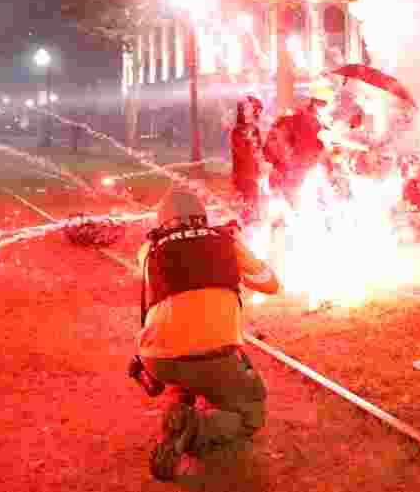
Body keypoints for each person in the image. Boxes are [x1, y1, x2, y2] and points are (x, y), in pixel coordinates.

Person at [137, 187, 280, 481]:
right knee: (250, 414)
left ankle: (176, 411)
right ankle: (195, 428)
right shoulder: (225, 241)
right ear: (202, 217)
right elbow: (270, 284)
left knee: (183, 374)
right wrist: (236, 249)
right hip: (214, 357)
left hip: (157, 358)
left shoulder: (147, 250)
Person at [263, 82, 332, 207]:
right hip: (294, 178)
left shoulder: (293, 120)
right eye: (325, 105)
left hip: (287, 177)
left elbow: (269, 151)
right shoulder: (313, 125)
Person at [231, 98, 263, 223]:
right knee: (246, 206)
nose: (251, 111)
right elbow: (243, 153)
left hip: (253, 173)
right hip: (243, 174)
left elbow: (259, 150)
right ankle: (247, 224)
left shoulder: (255, 130)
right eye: (247, 108)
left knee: (254, 206)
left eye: (252, 108)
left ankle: (253, 224)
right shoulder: (238, 131)